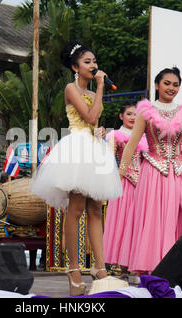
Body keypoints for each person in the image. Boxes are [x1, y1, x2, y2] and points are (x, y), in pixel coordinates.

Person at [31, 40, 122, 295]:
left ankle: (100, 269)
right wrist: (101, 88)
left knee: (96, 209)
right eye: (87, 62)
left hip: (94, 146)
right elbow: (89, 117)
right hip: (77, 148)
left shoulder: (94, 93)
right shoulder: (71, 88)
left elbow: (94, 121)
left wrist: (100, 129)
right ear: (75, 67)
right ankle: (73, 270)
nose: (93, 65)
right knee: (77, 207)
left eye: (94, 61)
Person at [118, 67, 182, 274]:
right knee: (158, 225)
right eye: (167, 83)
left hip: (180, 172)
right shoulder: (146, 112)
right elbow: (132, 144)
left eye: (175, 84)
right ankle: (158, 270)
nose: (171, 88)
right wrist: (120, 172)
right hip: (154, 173)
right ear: (157, 85)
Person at [102, 103, 148, 282]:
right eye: (129, 114)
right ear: (121, 116)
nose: (133, 117)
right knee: (122, 225)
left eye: (136, 114)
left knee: (137, 225)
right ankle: (122, 268)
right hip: (123, 185)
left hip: (142, 186)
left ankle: (136, 267)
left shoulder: (144, 137)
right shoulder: (114, 135)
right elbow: (108, 160)